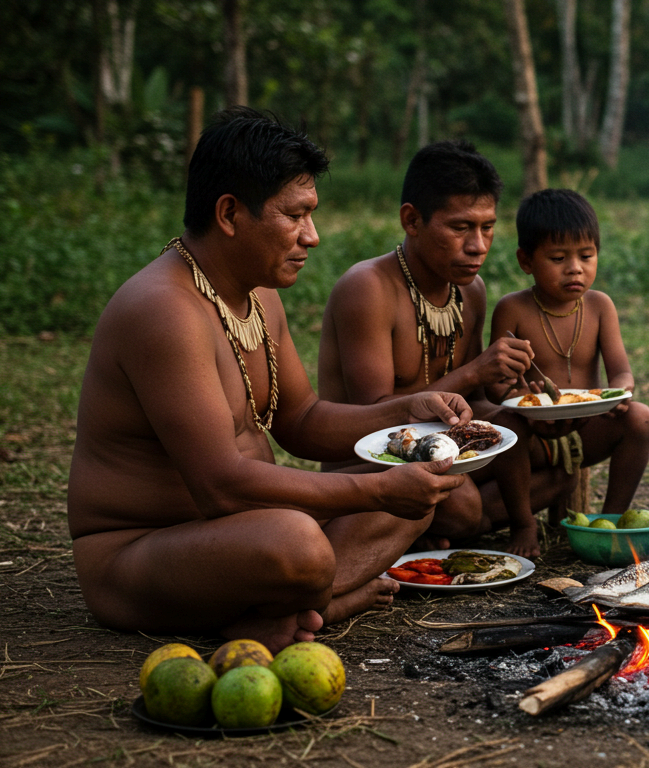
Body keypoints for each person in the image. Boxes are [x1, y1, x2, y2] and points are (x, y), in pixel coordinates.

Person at [67, 108, 473, 652]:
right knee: (299, 542)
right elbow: (221, 486)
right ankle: (322, 600)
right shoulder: (165, 311)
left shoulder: (258, 294)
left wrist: (408, 412)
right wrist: (372, 486)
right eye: (296, 215)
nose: (314, 236)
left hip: (241, 536)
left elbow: (302, 420)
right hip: (139, 555)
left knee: (414, 494)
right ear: (231, 214)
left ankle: (297, 605)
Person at [319, 140, 568, 558]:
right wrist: (474, 371)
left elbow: (470, 403)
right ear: (412, 220)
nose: (479, 245)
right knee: (466, 505)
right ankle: (452, 523)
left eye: (487, 227)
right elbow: (374, 421)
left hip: (448, 451)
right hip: (376, 460)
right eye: (460, 227)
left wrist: (517, 396)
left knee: (555, 466)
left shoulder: (470, 292)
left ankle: (436, 526)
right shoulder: (368, 289)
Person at [488, 189, 649, 519]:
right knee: (507, 425)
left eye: (586, 256)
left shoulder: (599, 306)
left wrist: (620, 394)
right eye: (558, 258)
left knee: (641, 418)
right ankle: (524, 524)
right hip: (535, 436)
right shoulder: (513, 309)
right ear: (526, 261)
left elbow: (621, 371)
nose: (575, 269)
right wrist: (526, 400)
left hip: (587, 428)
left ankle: (610, 520)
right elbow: (495, 385)